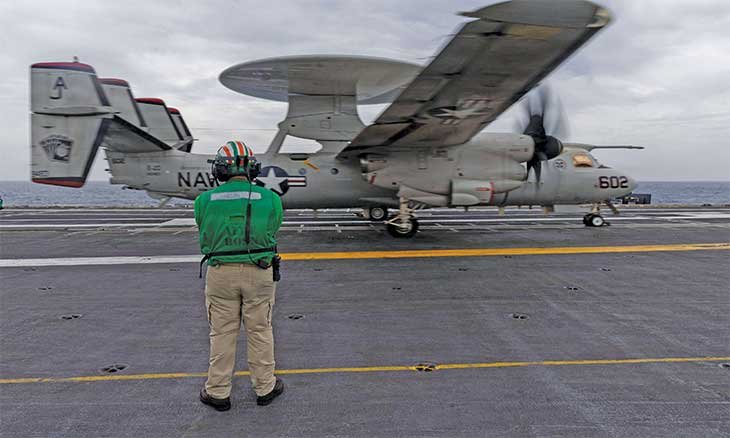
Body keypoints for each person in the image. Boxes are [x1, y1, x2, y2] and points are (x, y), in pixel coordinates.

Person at [195, 140, 284, 411]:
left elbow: (203, 228)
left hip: (221, 273)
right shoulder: (271, 198)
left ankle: (218, 392)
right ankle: (265, 387)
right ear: (252, 169)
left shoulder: (203, 200)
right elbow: (274, 228)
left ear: (220, 169)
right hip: (260, 271)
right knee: (260, 330)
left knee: (222, 333)